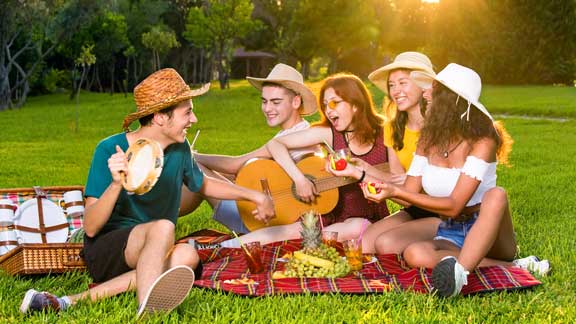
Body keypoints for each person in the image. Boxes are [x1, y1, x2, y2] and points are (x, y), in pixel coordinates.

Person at [20, 68, 275, 316]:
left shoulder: (180, 148)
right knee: (163, 228)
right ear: (161, 118)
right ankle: (149, 311)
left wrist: (254, 195)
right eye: (187, 113)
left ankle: (67, 302)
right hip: (108, 249)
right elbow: (90, 227)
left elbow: (203, 184)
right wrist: (116, 183)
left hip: (152, 249)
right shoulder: (110, 149)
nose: (194, 120)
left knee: (187, 255)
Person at [360, 63, 549, 297]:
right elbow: (410, 194)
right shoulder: (427, 140)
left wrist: (394, 191)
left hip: (489, 231)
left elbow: (454, 205)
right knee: (414, 254)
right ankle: (514, 266)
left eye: (434, 89)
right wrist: (384, 188)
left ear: (451, 101)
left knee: (496, 194)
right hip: (450, 231)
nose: (426, 93)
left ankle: (459, 277)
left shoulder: (483, 141)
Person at [215, 73, 392, 247]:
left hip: (366, 216)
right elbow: (276, 144)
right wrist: (299, 179)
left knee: (354, 227)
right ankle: (222, 248)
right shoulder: (329, 133)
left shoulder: (386, 133)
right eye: (325, 105)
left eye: (334, 103)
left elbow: (399, 177)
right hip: (330, 212)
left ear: (355, 104)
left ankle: (314, 241)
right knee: (294, 229)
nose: (329, 110)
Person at [179, 63, 317, 234]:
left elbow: (235, 165)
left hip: (262, 220)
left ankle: (158, 215)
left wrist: (191, 156)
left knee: (196, 171)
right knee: (200, 174)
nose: (267, 109)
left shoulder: (294, 137)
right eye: (264, 101)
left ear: (296, 101)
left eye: (275, 102)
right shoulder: (303, 130)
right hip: (270, 213)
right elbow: (244, 172)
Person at [357, 51, 442, 254]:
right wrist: (363, 169)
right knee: (365, 243)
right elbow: (398, 183)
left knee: (385, 244)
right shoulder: (393, 128)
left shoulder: (440, 126)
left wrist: (365, 175)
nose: (396, 91)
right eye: (392, 85)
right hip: (414, 207)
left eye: (403, 82)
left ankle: (447, 244)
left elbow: (417, 190)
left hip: (443, 210)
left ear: (423, 85)